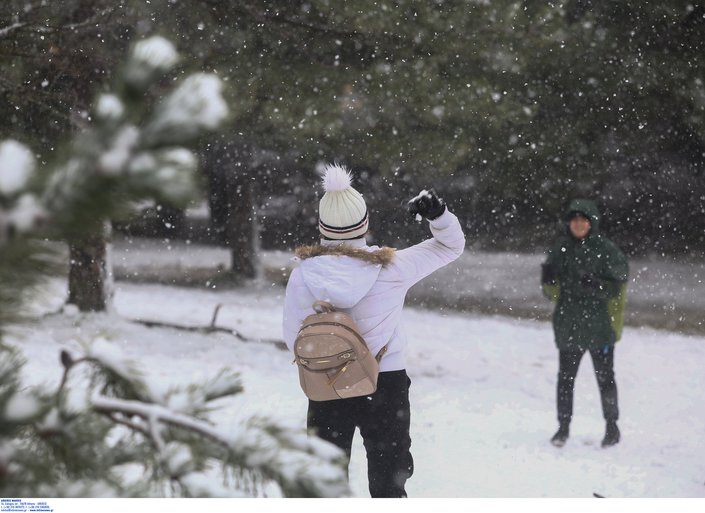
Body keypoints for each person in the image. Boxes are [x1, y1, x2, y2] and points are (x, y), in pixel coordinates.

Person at [282, 163, 465, 497]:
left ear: (322, 226)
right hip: (385, 383)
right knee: (388, 478)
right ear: (364, 223)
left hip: (326, 382)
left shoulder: (303, 275)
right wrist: (438, 216)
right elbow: (450, 247)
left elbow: (292, 336)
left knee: (324, 481)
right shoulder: (394, 267)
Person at [541, 198, 629, 448]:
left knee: (605, 380)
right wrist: (549, 280)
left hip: (600, 327)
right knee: (565, 380)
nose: (578, 224)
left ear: (592, 223)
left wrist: (598, 285)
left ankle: (612, 427)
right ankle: (563, 428)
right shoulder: (560, 249)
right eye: (574, 220)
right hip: (569, 326)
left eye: (584, 220)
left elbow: (618, 284)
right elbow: (551, 293)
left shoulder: (607, 250)